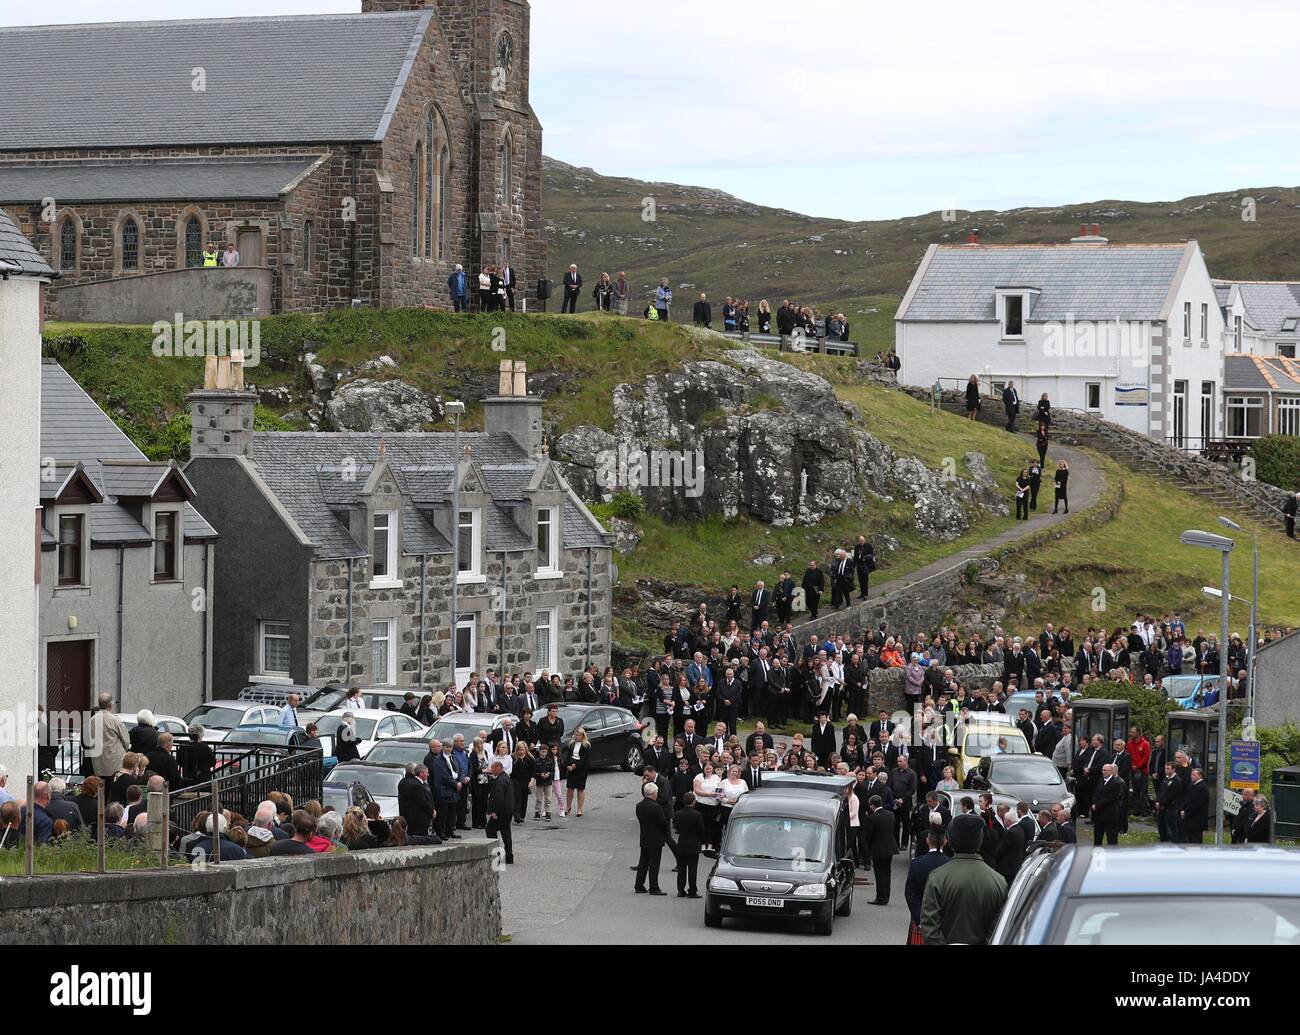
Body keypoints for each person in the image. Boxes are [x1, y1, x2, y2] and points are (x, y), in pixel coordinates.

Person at [920, 813, 1008, 944]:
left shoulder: (938, 877)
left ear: (950, 842)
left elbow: (929, 926)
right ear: (980, 840)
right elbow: (997, 929)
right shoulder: (999, 882)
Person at [904, 828, 950, 944]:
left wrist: (920, 920)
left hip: (920, 917)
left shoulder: (917, 864)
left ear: (927, 841)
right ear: (945, 842)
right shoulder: (951, 865)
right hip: (945, 923)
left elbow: (910, 894)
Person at [634, 782, 670, 895]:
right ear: (654, 794)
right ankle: (654, 887)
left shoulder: (639, 805)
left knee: (643, 863)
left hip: (644, 837)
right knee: (654, 864)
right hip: (655, 839)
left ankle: (639, 885)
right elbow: (663, 823)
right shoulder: (656, 807)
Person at [86, 694, 130, 780]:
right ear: (110, 705)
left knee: (101, 789)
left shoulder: (92, 720)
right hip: (115, 761)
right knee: (113, 787)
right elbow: (126, 740)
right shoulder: (115, 720)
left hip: (98, 761)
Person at [867, 795, 898, 905]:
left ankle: (880, 897)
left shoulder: (872, 818)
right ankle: (886, 896)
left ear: (872, 805)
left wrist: (869, 849)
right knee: (887, 872)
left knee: (879, 874)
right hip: (890, 847)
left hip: (878, 849)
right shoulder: (890, 815)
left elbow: (869, 836)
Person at [674, 792, 705, 897]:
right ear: (693, 802)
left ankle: (680, 890)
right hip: (693, 843)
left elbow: (676, 827)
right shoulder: (697, 815)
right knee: (692, 869)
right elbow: (701, 830)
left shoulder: (678, 814)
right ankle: (692, 890)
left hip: (682, 843)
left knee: (682, 869)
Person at [486, 760, 515, 864]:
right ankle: (509, 856)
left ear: (498, 768)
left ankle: (496, 856)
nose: (491, 770)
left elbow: (499, 797)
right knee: (506, 831)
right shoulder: (506, 778)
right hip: (508, 810)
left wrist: (494, 811)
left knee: (490, 830)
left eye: (492, 768)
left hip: (501, 811)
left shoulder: (500, 781)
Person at [398, 764, 437, 839]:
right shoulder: (417, 785)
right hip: (418, 820)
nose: (428, 775)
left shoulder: (404, 782)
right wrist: (432, 811)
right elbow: (423, 802)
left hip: (408, 817)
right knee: (420, 839)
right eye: (427, 773)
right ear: (421, 773)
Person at [563, 727, 591, 817]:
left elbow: (584, 759)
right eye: (576, 735)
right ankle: (568, 807)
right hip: (571, 767)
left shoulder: (586, 745)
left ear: (583, 736)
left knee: (580, 789)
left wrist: (575, 766)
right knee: (570, 789)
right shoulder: (571, 744)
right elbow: (568, 756)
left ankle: (579, 809)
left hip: (581, 769)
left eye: (579, 735)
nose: (577, 736)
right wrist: (567, 765)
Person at [1092, 762, 1123, 846]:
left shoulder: (1116, 783)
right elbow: (1096, 793)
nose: (1103, 772)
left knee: (1111, 838)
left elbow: (1109, 799)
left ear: (1111, 771)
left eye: (1105, 770)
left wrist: (1097, 805)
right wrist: (1094, 802)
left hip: (1110, 815)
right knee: (1097, 837)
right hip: (1099, 814)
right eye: (1102, 770)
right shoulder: (1101, 780)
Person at [1181, 768, 1210, 844]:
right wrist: (1182, 809)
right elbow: (1186, 799)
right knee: (1190, 840)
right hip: (1190, 820)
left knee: (1195, 841)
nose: (1191, 776)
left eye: (1193, 775)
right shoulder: (1193, 786)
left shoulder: (1202, 787)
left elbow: (1196, 804)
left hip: (1197, 821)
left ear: (1200, 776)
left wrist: (1186, 812)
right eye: (1191, 774)